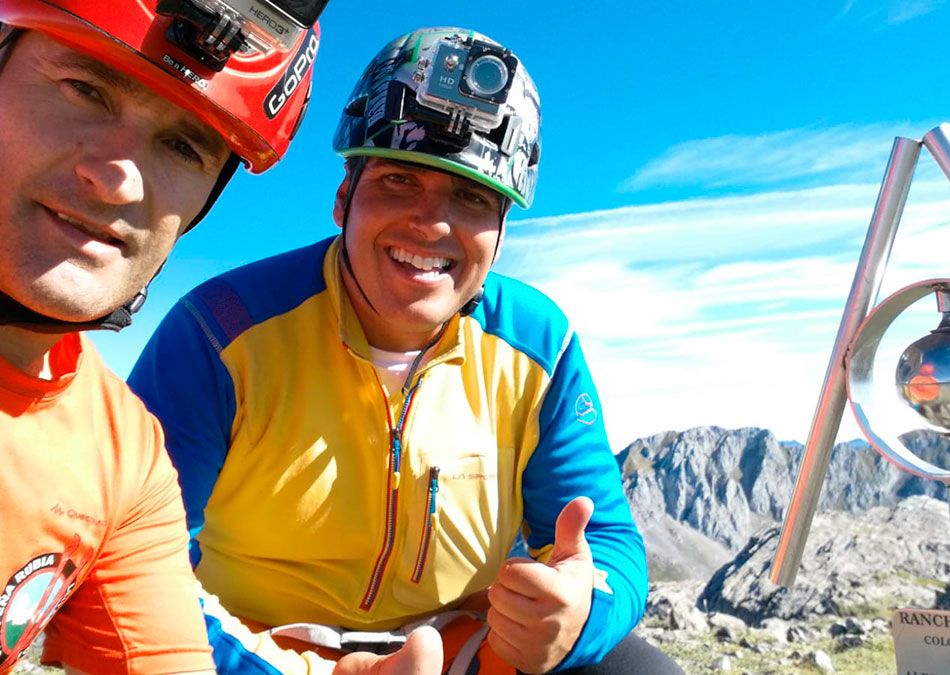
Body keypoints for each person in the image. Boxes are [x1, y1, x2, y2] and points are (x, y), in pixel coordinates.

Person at [129, 26, 681, 675]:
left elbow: (609, 542)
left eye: (473, 197)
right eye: (398, 180)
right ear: (344, 198)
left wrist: (579, 613)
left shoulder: (541, 344)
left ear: (500, 233)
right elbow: (138, 558)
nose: (433, 222)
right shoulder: (221, 331)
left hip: (465, 647)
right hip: (256, 651)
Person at [0, 2, 438, 673]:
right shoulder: (211, 344)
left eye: (183, 145)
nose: (117, 177)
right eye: (84, 89)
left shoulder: (121, 453)